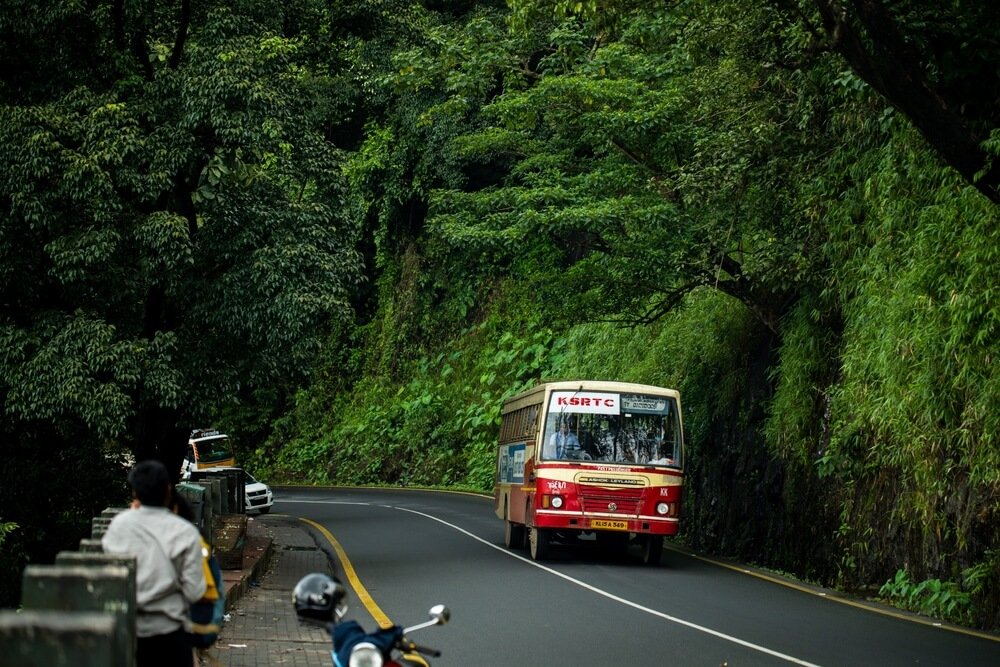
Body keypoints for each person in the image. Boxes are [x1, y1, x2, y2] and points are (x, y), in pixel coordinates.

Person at [102, 460, 207, 667]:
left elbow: (110, 575)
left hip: (128, 636)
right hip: (172, 638)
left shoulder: (119, 526)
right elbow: (195, 591)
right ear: (168, 490)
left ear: (135, 493)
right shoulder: (185, 532)